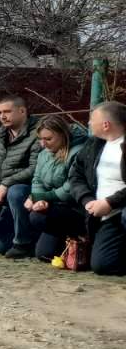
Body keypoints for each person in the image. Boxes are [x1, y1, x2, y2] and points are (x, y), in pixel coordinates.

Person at [65, 100, 126, 277]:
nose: (89, 123)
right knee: (102, 265)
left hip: (119, 210)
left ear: (106, 124)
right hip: (98, 213)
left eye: (92, 119)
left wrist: (109, 202)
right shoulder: (94, 144)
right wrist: (87, 200)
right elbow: (75, 175)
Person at [27, 114, 86, 264]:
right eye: (41, 139)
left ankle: (80, 236)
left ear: (62, 134)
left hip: (75, 208)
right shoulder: (44, 154)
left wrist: (43, 197)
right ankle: (66, 241)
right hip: (55, 205)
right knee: (44, 254)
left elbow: (71, 187)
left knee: (37, 216)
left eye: (48, 139)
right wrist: (38, 198)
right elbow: (37, 179)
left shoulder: (78, 151)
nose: (43, 144)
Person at [0, 94, 40, 259]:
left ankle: (23, 243)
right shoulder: (1, 133)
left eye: (7, 111)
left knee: (15, 192)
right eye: (0, 112)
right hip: (5, 188)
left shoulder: (37, 132)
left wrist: (6, 184)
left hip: (28, 188)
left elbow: (34, 168)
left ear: (22, 111)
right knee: (3, 247)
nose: (2, 116)